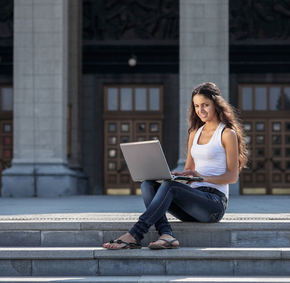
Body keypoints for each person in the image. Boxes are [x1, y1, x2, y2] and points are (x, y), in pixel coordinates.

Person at [103, 82, 248, 250]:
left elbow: (232, 176)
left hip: (214, 204)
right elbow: (189, 172)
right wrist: (179, 176)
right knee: (148, 184)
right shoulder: (195, 133)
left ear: (216, 104)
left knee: (170, 187)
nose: (201, 110)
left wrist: (201, 177)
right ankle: (167, 234)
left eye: (205, 105)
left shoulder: (226, 133)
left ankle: (135, 234)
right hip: (193, 200)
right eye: (196, 106)